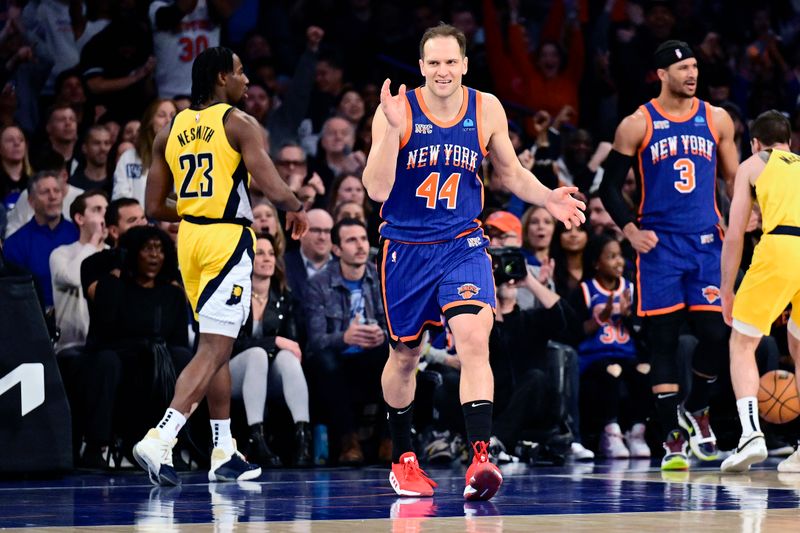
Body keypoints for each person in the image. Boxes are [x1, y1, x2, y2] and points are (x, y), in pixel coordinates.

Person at [362, 23, 584, 500]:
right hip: (405, 247)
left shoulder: (487, 107)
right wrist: (390, 134)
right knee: (404, 356)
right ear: (421, 68)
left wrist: (548, 198)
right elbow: (377, 189)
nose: (443, 71)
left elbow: (509, 172)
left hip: (462, 242)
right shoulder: (397, 110)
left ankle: (480, 457)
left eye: (451, 62)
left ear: (464, 64)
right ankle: (403, 459)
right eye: (433, 63)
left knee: (474, 339)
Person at [133, 46, 307, 486]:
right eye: (240, 72)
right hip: (227, 241)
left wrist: (195, 211)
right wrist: (295, 204)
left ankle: (223, 448)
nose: (246, 80)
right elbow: (267, 180)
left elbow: (154, 206)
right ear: (219, 79)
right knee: (213, 347)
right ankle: (161, 436)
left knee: (218, 345)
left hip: (190, 240)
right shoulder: (239, 123)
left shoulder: (168, 130)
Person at [599, 40, 739, 471]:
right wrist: (630, 231)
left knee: (717, 334)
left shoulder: (716, 118)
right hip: (658, 247)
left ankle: (697, 408)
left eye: (695, 66)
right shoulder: (636, 124)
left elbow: (736, 178)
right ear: (661, 74)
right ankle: (671, 438)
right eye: (683, 69)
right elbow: (608, 188)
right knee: (661, 340)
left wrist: (746, 218)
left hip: (705, 244)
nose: (692, 75)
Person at [720, 110, 800, 473]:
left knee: (742, 342)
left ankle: (751, 436)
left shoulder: (753, 164)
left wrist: (727, 289)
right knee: (798, 347)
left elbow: (735, 233)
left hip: (780, 247)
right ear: (790, 142)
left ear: (755, 142)